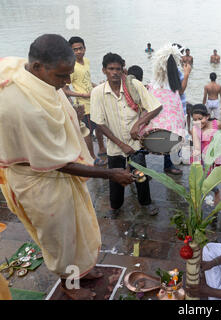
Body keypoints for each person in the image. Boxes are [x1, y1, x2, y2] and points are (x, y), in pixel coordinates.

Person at [0, 34, 134, 300]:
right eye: (62, 76)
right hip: (39, 180)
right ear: (37, 67)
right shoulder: (24, 109)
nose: (68, 82)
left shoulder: (21, 68)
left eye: (69, 73)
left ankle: (82, 271)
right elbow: (58, 164)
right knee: (60, 238)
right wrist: (110, 173)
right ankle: (70, 285)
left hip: (53, 168)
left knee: (78, 225)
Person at [90, 52, 163, 216]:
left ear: (123, 70)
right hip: (115, 146)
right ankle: (115, 207)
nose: (115, 72)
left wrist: (138, 123)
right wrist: (121, 144)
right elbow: (99, 123)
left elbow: (156, 106)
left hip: (136, 144)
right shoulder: (97, 92)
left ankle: (146, 203)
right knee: (115, 178)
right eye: (111, 69)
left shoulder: (133, 85)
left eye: (118, 69)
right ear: (104, 70)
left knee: (141, 176)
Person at [63, 36, 107, 167]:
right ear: (70, 51)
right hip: (83, 105)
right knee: (87, 132)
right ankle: (91, 157)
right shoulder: (71, 66)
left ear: (85, 49)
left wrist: (97, 87)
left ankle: (102, 148)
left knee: (100, 125)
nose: (78, 52)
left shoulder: (86, 61)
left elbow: (87, 80)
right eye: (74, 49)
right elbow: (65, 89)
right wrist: (84, 95)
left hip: (94, 100)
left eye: (80, 48)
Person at [146, 43, 188, 175]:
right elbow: (180, 91)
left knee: (169, 136)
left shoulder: (158, 79)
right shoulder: (174, 75)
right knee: (173, 137)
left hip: (173, 111)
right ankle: (170, 164)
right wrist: (187, 74)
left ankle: (170, 163)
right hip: (175, 111)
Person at [190, 104, 221, 205]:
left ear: (207, 116)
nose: (198, 122)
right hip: (200, 157)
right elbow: (196, 146)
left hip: (214, 157)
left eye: (200, 119)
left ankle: (217, 192)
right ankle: (198, 200)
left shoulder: (216, 124)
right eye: (195, 120)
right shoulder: (195, 129)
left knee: (211, 180)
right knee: (201, 180)